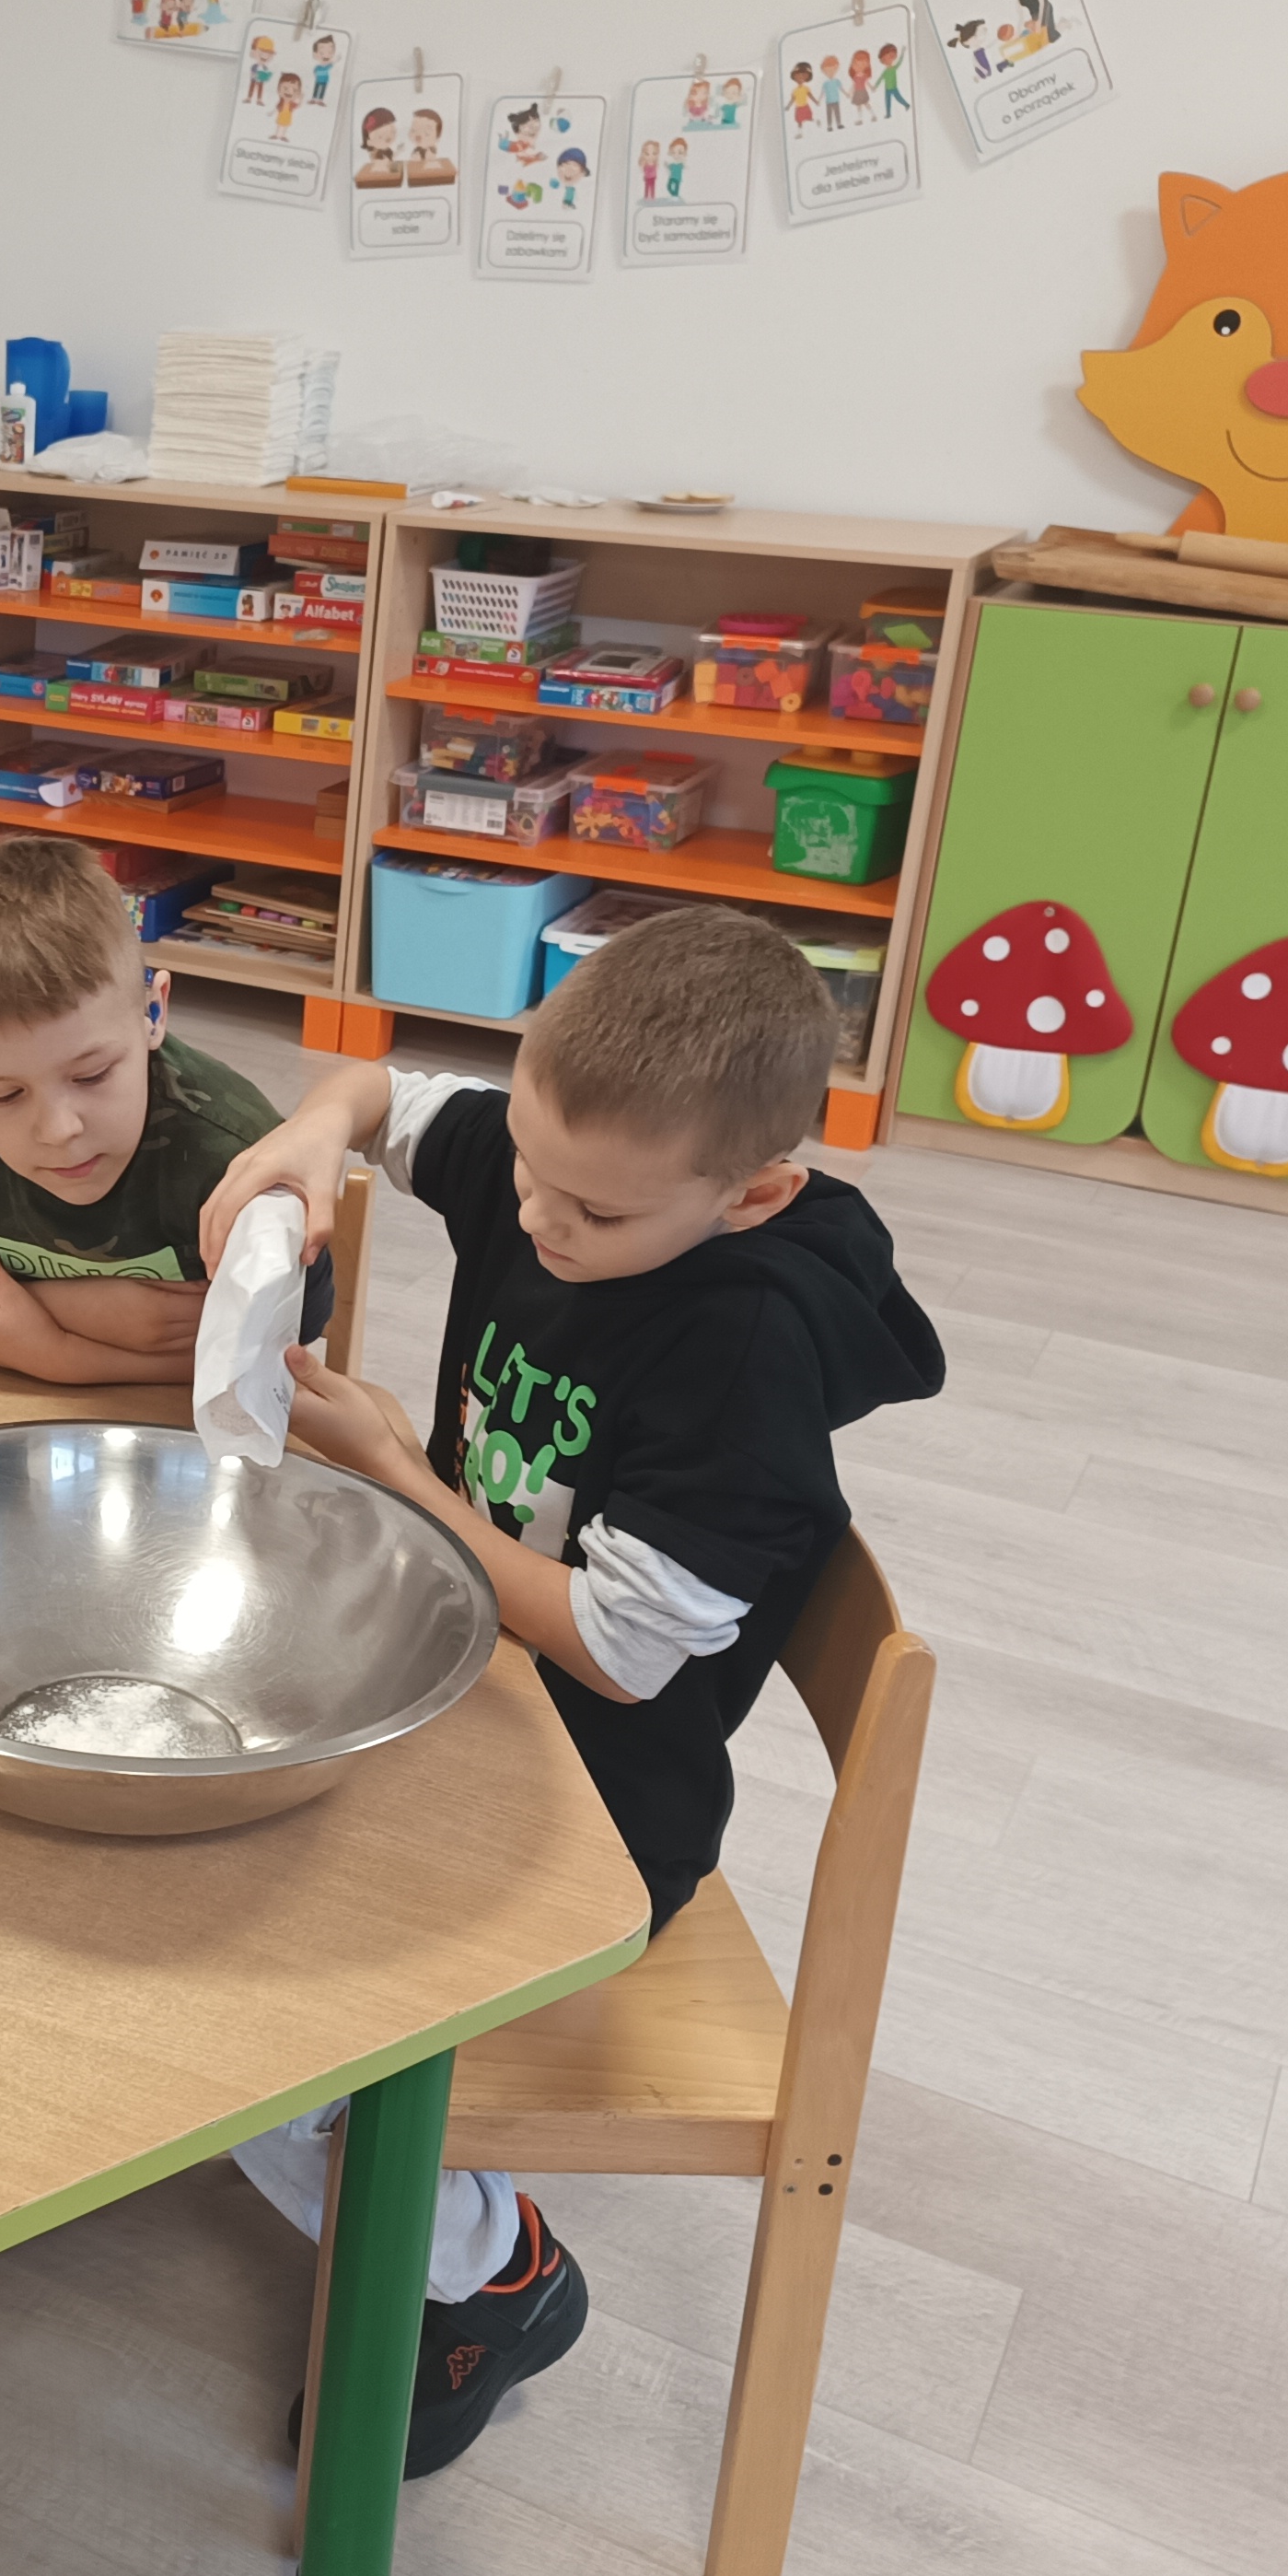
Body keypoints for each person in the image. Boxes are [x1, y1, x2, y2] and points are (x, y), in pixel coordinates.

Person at [199, 906, 945, 2476]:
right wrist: (307, 1139)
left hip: (605, 1808)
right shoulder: (570, 1162)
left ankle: (495, 2269)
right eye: (530, 1167)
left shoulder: (745, 1354)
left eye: (590, 1210)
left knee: (250, 2039)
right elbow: (393, 1098)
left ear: (754, 1193)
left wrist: (405, 1474)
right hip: (478, 1700)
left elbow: (616, 1647)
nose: (534, 1216)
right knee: (200, 1858)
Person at [0, 836, 327, 1387]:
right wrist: (79, 1314)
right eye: (4, 1095)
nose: (60, 1131)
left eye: (92, 1075)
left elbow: (284, 1350)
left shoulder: (237, 1156)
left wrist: (62, 1357)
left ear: (153, 1011)